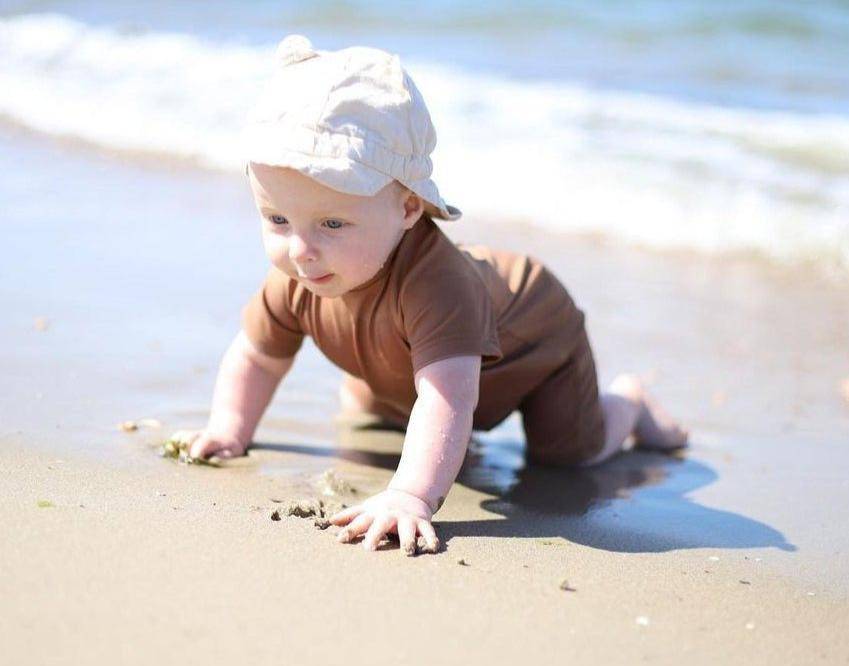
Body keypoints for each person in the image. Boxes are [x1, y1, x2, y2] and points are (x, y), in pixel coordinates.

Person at [187, 35, 688, 556]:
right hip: (418, 355)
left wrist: (410, 496)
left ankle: (629, 404)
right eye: (277, 219)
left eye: (332, 223)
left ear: (408, 208)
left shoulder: (439, 287)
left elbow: (449, 398)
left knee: (567, 453)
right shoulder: (299, 274)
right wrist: (229, 428)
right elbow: (258, 356)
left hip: (533, 340)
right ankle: (382, 391)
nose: (300, 249)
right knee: (376, 410)